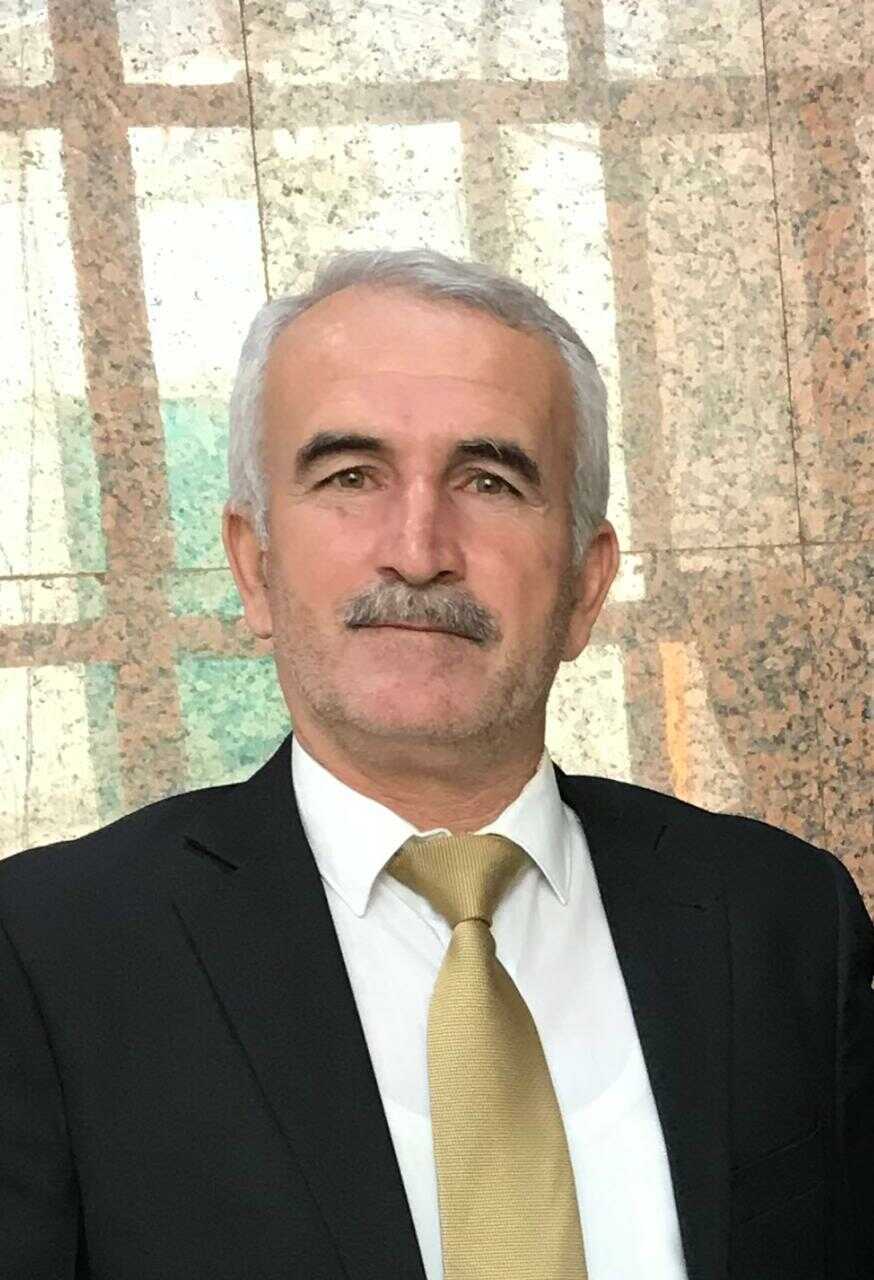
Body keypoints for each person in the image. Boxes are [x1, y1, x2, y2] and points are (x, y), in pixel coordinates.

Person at [0, 247, 871, 1280]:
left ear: (586, 585)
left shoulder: (784, 918)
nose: (418, 551)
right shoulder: (47, 955)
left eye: (490, 481)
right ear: (254, 565)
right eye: (350, 476)